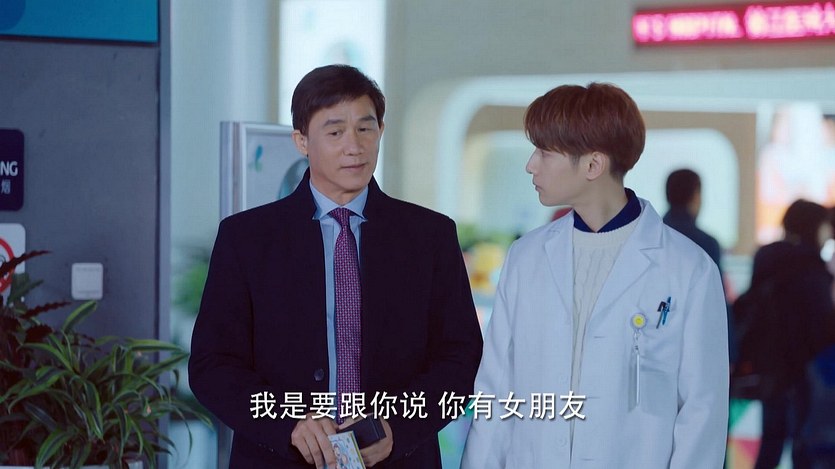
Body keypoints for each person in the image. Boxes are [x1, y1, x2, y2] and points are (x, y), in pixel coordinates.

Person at [189, 64, 483, 468]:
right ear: (301, 141)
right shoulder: (247, 239)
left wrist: (397, 427)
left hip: (398, 458)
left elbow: (460, 357)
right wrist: (288, 423)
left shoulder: (429, 236)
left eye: (365, 128)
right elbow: (212, 365)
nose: (354, 146)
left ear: (381, 131)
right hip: (280, 457)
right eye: (335, 132)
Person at [461, 83, 729, 468]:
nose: (531, 165)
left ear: (592, 165)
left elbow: (702, 411)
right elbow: (496, 390)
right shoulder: (526, 257)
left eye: (545, 152)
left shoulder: (689, 269)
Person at [749, 200, 834, 469]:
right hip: (804, 371)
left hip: (770, 367)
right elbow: (821, 326)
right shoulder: (812, 269)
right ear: (814, 226)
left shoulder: (765, 258)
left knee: (770, 445)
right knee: (804, 446)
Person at [662, 168, 737, 365]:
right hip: (697, 345)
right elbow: (715, 302)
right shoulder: (706, 244)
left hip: (657, 339)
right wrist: (729, 352)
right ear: (695, 196)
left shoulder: (651, 236)